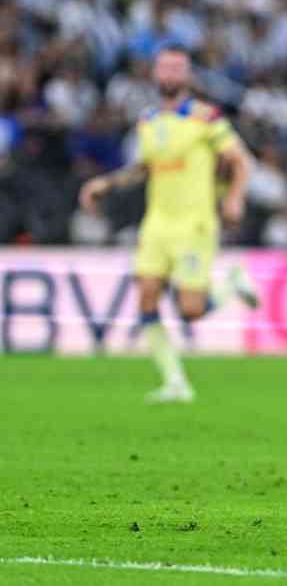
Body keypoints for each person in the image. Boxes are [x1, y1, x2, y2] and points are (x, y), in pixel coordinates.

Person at [79, 45, 258, 403]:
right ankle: (175, 381)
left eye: (178, 68)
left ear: (188, 75)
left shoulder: (206, 117)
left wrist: (235, 198)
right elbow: (145, 167)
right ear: (156, 74)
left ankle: (233, 283)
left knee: (190, 310)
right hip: (157, 223)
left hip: (194, 223)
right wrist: (106, 183)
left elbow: (240, 161)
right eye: (165, 68)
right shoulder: (148, 120)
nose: (171, 74)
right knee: (147, 297)